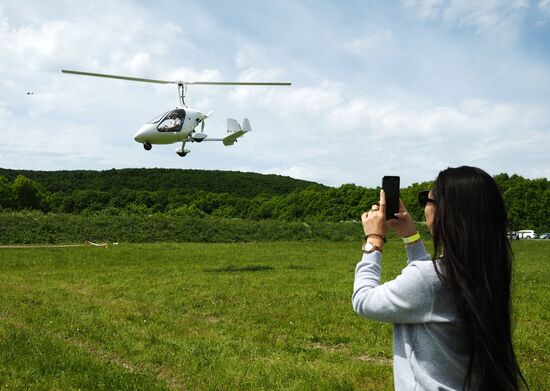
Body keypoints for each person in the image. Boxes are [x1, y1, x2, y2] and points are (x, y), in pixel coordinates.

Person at [352, 166, 528, 391]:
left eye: (427, 199)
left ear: (447, 211)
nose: (424, 206)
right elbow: (431, 287)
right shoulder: (485, 272)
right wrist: (411, 237)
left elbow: (364, 300)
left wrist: (374, 239)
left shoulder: (431, 280)